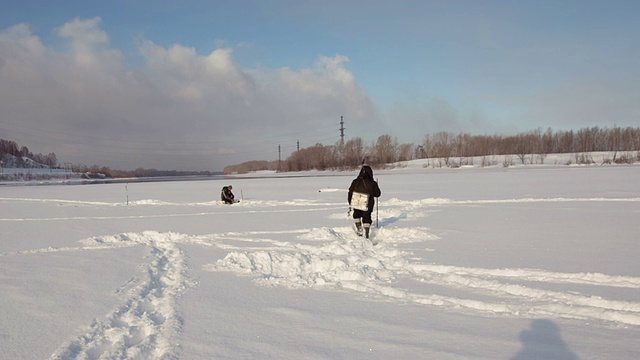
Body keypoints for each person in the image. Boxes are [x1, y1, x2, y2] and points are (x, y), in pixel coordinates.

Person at [348, 165, 381, 239]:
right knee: (367, 217)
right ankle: (366, 232)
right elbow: (377, 194)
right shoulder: (372, 183)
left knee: (356, 214)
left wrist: (350, 202)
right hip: (368, 203)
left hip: (356, 201)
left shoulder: (355, 181)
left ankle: (359, 228)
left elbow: (350, 192)